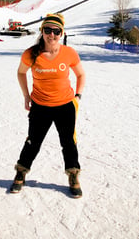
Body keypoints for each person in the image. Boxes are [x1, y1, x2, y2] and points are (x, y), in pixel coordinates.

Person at [10, 13, 86, 198]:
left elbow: (81, 75)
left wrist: (78, 96)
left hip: (65, 106)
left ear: (62, 33)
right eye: (47, 30)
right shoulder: (31, 53)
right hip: (40, 106)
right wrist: (26, 96)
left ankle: (73, 174)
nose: (51, 35)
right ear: (42, 31)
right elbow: (21, 73)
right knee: (33, 141)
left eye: (56, 31)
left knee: (68, 142)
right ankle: (21, 171)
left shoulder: (69, 53)